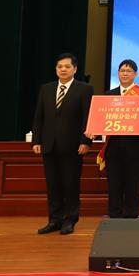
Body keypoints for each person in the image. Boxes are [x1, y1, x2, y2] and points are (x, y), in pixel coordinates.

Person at [32, 53, 94, 235]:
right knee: (53, 185)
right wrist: (36, 140)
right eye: (60, 67)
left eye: (67, 66)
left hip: (73, 146)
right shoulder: (46, 89)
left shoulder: (84, 89)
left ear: (75, 69)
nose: (63, 69)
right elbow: (39, 117)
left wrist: (86, 141)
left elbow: (88, 118)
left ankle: (70, 219)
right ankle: (54, 220)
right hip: (49, 145)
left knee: (71, 184)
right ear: (56, 69)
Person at [103, 59, 139, 219]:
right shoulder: (108, 95)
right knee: (114, 185)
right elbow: (102, 118)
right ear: (118, 73)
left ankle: (131, 217)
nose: (125, 74)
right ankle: (114, 217)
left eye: (129, 71)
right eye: (122, 71)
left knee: (133, 185)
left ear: (135, 74)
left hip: (136, 148)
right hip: (113, 149)